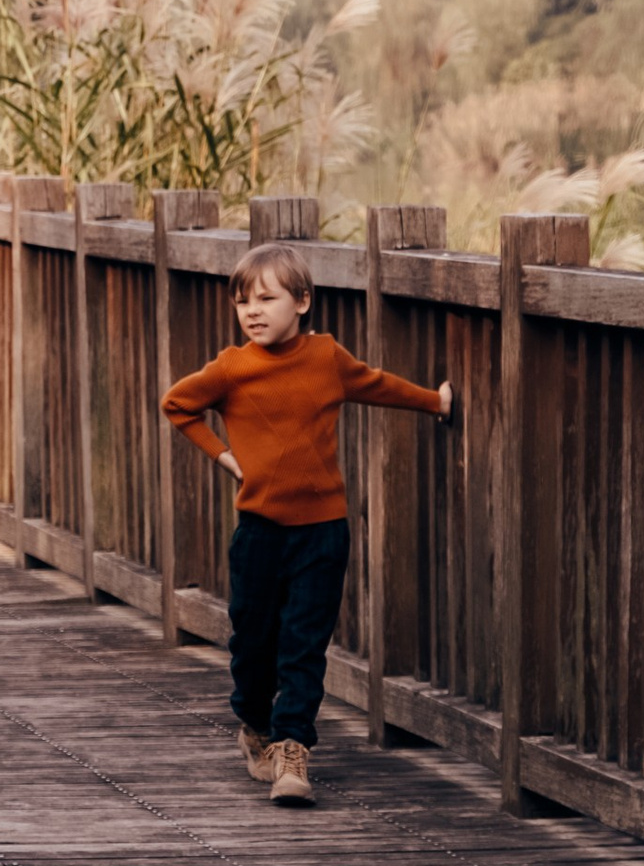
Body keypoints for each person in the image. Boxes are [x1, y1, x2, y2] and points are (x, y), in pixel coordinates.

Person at [160, 246, 451, 806]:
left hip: (323, 532)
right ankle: (255, 725)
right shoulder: (231, 367)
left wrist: (434, 403)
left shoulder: (326, 357)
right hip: (259, 534)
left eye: (266, 299)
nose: (253, 311)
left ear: (302, 301)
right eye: (242, 302)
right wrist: (225, 457)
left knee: (303, 645)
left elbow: (377, 385)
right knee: (253, 645)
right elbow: (177, 404)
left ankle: (292, 750)